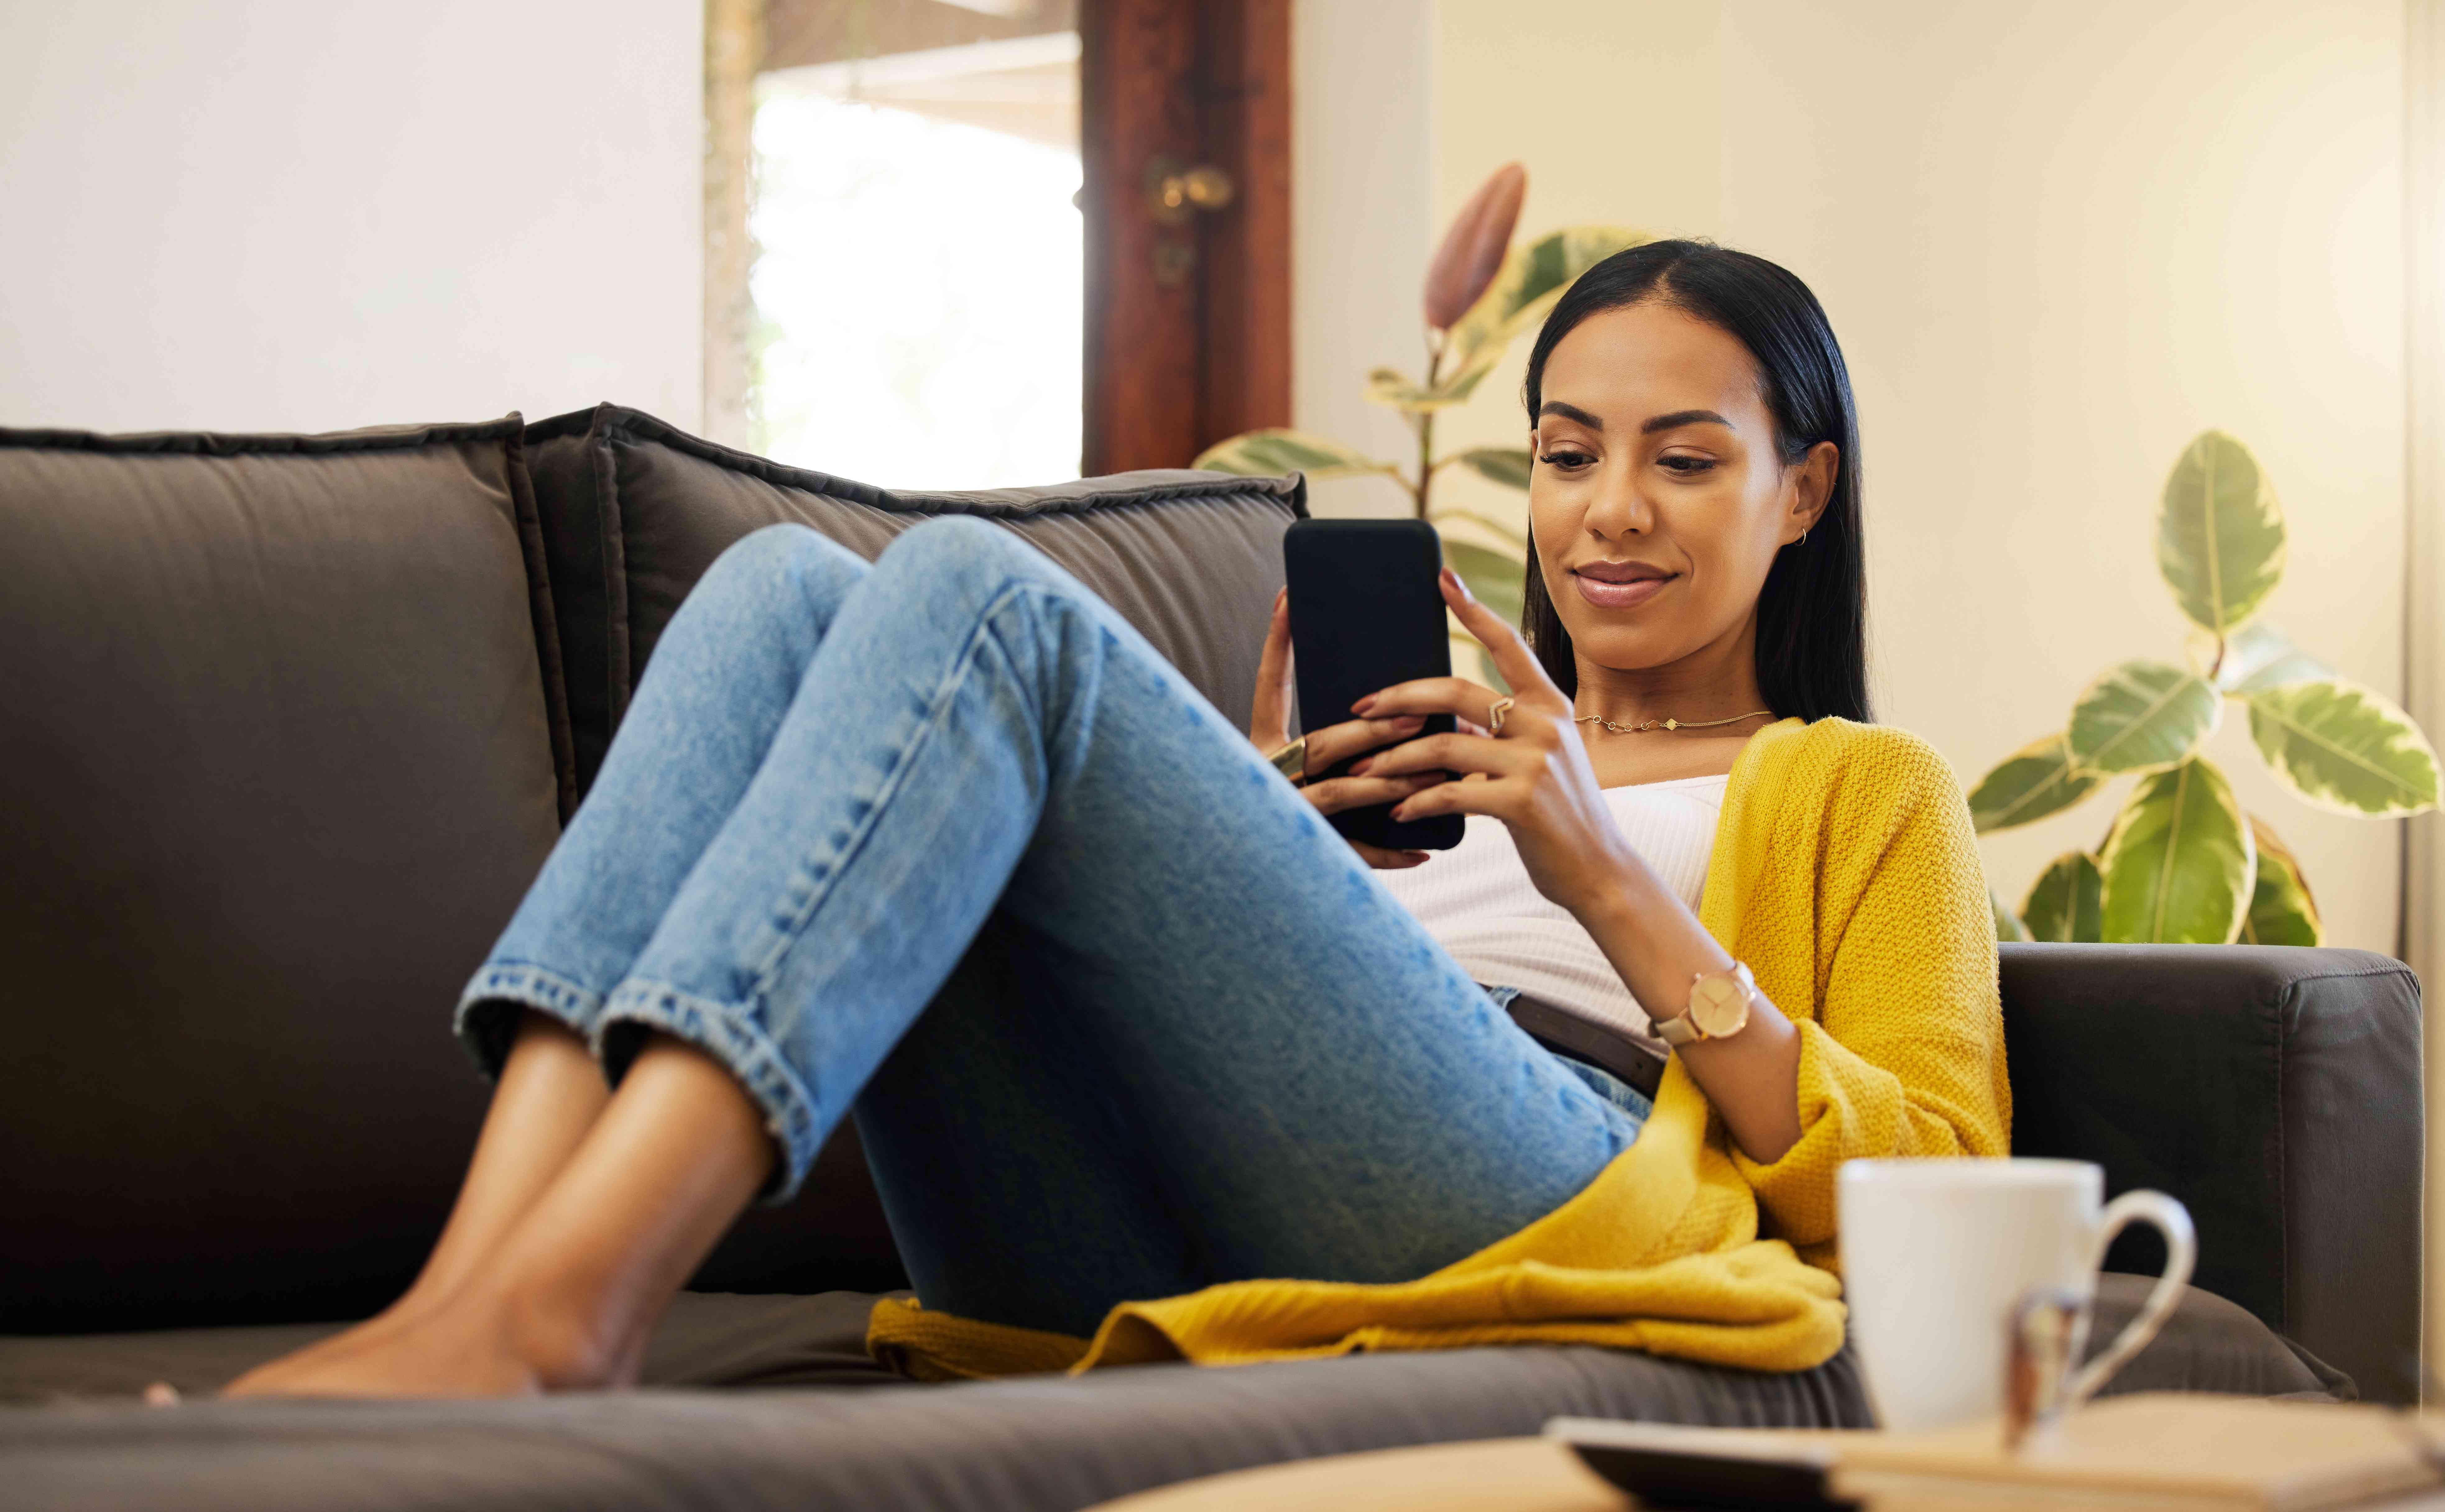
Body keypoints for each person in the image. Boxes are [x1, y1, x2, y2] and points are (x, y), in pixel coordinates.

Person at [228, 239, 2008, 1399]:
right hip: (1161, 1217)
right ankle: (471, 1294)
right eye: (1565, 452)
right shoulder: (1436, 733)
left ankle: (571, 1314)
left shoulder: (1863, 785)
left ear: (1803, 492)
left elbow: (1946, 1193)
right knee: (776, 587)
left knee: (975, 597)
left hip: (1567, 1185)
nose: (1609, 511)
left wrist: (1616, 886)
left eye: (1683, 458)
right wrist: (1243, 839)